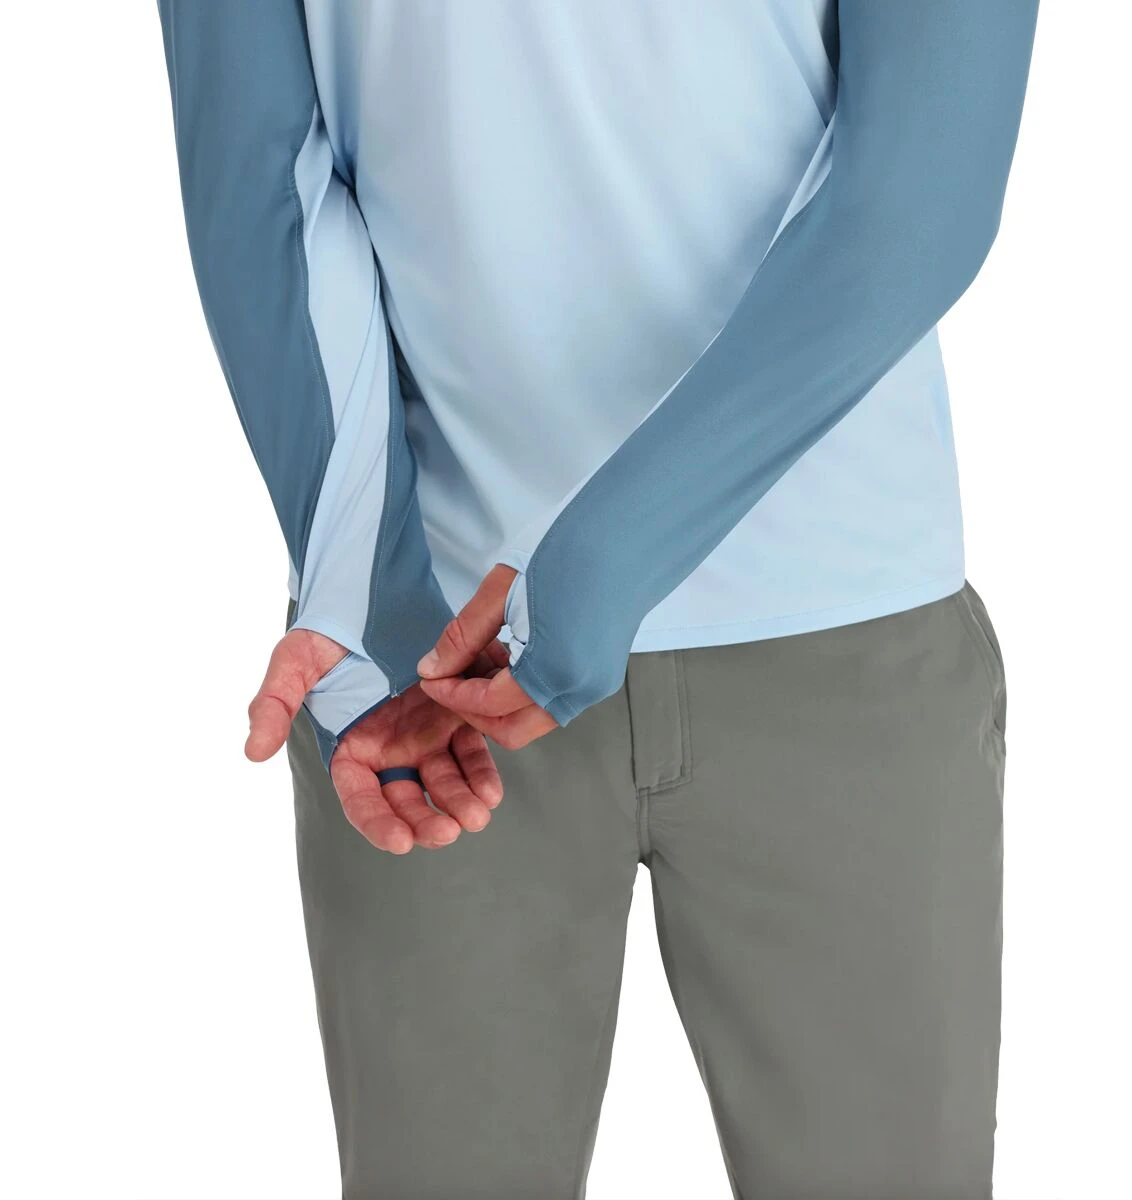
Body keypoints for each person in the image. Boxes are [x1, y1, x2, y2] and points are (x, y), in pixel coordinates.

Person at [156, 1, 1038, 1195]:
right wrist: (362, 593)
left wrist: (594, 568)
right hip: (425, 682)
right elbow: (259, 169)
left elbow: (921, 186)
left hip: (832, 638)